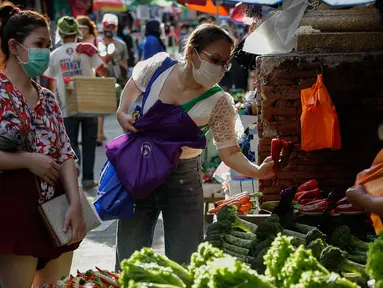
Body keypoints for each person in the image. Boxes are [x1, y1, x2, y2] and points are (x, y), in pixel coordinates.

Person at [115, 23, 275, 268]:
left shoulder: (219, 101)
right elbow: (131, 90)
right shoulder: (157, 68)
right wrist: (122, 113)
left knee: (185, 264)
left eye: (225, 63)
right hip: (140, 173)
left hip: (183, 183)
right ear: (192, 51)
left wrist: (257, 171)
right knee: (129, 262)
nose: (221, 69)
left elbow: (229, 151)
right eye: (215, 59)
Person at [0, 3, 86, 287]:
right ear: (14, 46)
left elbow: (66, 153)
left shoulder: (48, 98)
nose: (45, 52)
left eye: (48, 45)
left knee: (56, 285)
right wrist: (26, 160)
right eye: (39, 44)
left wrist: (76, 203)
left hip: (56, 208)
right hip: (13, 209)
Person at [44, 16, 108, 189]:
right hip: (90, 105)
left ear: (60, 33)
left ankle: (76, 165)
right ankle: (88, 179)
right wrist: (95, 56)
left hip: (66, 107)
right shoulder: (88, 50)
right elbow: (104, 72)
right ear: (77, 33)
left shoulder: (55, 54)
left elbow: (49, 81)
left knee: (70, 142)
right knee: (89, 142)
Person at [97, 13, 129, 146]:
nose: (110, 29)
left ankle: (127, 134)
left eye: (112, 27)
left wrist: (117, 61)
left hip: (119, 79)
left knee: (122, 107)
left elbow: (126, 65)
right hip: (103, 79)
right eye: (108, 26)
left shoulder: (121, 44)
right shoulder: (98, 43)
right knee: (101, 107)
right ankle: (99, 135)